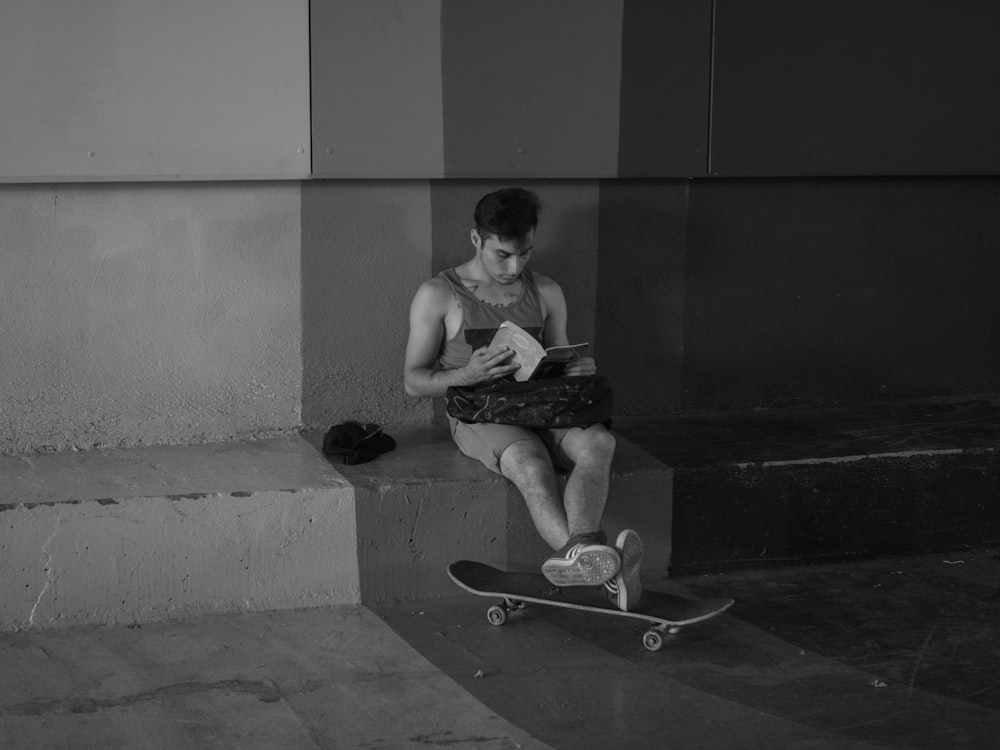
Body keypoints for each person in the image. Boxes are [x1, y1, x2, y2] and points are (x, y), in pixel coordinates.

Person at [403, 187, 642, 611]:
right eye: (503, 254)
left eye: (525, 253)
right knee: (531, 462)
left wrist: (576, 368)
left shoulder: (546, 290)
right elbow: (413, 381)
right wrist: (466, 373)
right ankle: (606, 564)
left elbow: (560, 352)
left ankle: (583, 553)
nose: (515, 266)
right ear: (476, 239)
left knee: (599, 443)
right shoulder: (439, 294)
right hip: (481, 412)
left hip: (545, 403)